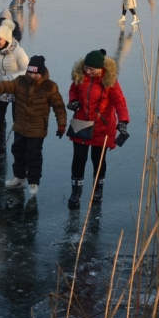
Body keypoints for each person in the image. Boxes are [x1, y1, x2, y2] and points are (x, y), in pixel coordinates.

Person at [0, 56, 67, 196]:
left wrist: (61, 125)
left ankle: (33, 182)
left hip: (37, 129)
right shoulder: (20, 81)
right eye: (30, 72)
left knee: (33, 155)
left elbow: (59, 107)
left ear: (41, 73)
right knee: (17, 151)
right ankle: (19, 177)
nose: (32, 75)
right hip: (20, 125)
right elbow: (4, 86)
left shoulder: (50, 86)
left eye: (35, 73)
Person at [66, 49, 129, 206]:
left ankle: (98, 189)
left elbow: (120, 101)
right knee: (78, 159)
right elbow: (73, 90)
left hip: (102, 126)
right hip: (81, 123)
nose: (88, 71)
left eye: (91, 69)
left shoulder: (110, 82)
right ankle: (76, 191)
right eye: (86, 68)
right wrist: (74, 100)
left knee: (98, 160)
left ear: (101, 68)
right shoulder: (80, 77)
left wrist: (123, 121)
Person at [0, 21, 29, 155]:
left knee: (17, 119)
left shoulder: (18, 52)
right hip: (1, 86)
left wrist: (11, 78)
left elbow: (27, 70)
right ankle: (0, 146)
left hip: (17, 88)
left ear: (7, 39)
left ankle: (19, 147)